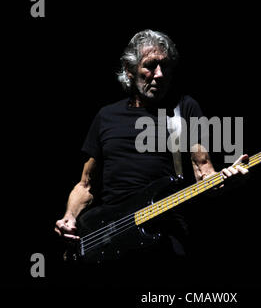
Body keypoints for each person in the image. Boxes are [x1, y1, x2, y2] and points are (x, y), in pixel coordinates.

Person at [54, 29, 249, 260]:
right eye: (150, 66)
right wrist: (69, 217)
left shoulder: (183, 109)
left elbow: (204, 173)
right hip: (107, 236)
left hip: (163, 237)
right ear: (129, 70)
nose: (159, 74)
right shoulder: (106, 116)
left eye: (165, 66)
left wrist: (226, 180)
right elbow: (85, 186)